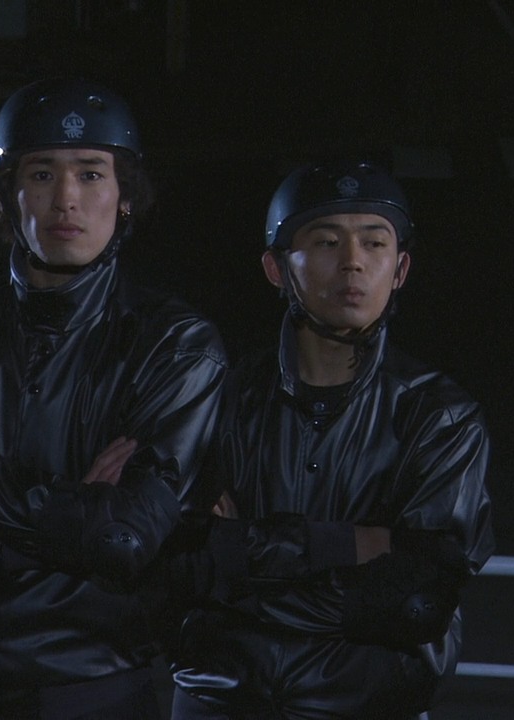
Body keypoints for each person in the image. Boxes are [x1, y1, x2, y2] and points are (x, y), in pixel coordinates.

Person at [0, 77, 228, 719]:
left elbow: (123, 540)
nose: (67, 198)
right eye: (42, 174)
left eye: (91, 174)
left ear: (126, 195)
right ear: (5, 194)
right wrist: (72, 519)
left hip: (92, 695)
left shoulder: (174, 344)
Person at [168, 160, 495, 719]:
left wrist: (244, 551)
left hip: (366, 703)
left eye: (375, 242)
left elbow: (416, 598)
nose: (352, 261)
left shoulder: (440, 416)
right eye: (325, 241)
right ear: (276, 268)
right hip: (220, 699)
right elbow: (175, 566)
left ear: (400, 268)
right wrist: (358, 545)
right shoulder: (220, 397)